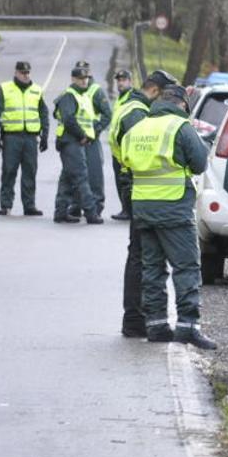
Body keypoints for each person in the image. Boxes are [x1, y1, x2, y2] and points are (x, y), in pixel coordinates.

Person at [121, 83, 216, 349]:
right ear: (183, 104)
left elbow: (126, 164)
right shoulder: (180, 127)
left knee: (152, 268)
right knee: (186, 266)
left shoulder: (137, 128)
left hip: (143, 207)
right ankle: (188, 327)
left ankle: (156, 326)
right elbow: (199, 163)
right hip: (173, 206)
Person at [111, 69, 173, 338]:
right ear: (156, 91)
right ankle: (135, 319)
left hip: (134, 185)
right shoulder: (137, 112)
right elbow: (143, 153)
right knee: (140, 257)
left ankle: (138, 318)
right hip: (138, 188)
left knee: (140, 255)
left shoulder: (132, 105)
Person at [0, 60, 49, 216]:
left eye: (28, 72)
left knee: (30, 172)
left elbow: (44, 114)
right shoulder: (5, 89)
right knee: (9, 171)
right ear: (16, 73)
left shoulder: (37, 90)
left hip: (30, 138)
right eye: (23, 73)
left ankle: (29, 205)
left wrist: (45, 136)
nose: (26, 75)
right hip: (11, 138)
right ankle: (6, 205)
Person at [52, 67, 101, 224]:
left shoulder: (83, 96)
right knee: (81, 177)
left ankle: (60, 212)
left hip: (75, 142)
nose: (84, 81)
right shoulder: (69, 96)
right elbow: (69, 119)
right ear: (73, 79)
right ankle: (91, 213)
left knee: (67, 178)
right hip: (71, 141)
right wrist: (82, 136)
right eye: (80, 78)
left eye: (86, 78)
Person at [68, 60, 112, 217]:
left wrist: (96, 130)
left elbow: (108, 113)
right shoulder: (72, 91)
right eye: (79, 72)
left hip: (91, 140)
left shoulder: (95, 91)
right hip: (76, 139)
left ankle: (97, 205)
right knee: (76, 173)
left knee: (94, 173)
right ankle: (75, 204)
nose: (83, 75)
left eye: (85, 71)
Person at [109, 69, 137, 221]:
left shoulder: (131, 98)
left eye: (123, 80)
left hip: (125, 150)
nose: (120, 83)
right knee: (121, 180)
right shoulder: (120, 98)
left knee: (127, 180)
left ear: (130, 81)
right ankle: (124, 209)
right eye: (118, 80)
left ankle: (128, 210)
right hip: (117, 151)